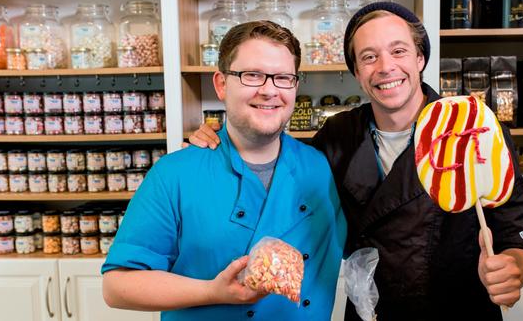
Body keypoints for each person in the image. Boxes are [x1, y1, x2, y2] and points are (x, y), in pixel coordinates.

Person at [189, 3, 523, 320]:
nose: (386, 67)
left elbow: (516, 230)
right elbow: (280, 166)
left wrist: (512, 269)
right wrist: (224, 141)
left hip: (458, 309)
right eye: (369, 57)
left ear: (420, 59)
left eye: (399, 51)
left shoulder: (469, 128)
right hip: (370, 310)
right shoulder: (339, 134)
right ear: (357, 72)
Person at [102, 21, 347, 321]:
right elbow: (117, 286)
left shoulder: (319, 166)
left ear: (295, 86)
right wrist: (213, 291)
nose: (269, 90)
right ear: (221, 84)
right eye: (252, 75)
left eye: (283, 77)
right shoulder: (175, 173)